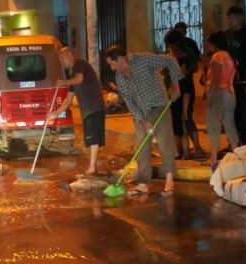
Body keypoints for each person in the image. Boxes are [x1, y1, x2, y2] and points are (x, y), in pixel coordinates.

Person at [104, 45, 181, 196]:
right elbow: (129, 102)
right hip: (142, 113)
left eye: (112, 64)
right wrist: (144, 121)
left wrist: (175, 86)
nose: (112, 69)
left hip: (159, 107)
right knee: (142, 147)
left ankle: (169, 180)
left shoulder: (144, 60)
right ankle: (143, 183)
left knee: (165, 144)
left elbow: (171, 61)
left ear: (119, 59)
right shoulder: (120, 77)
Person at [48, 47, 106, 175]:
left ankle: (92, 167)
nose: (61, 62)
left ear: (69, 54)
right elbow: (68, 100)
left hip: (94, 107)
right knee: (93, 138)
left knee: (93, 138)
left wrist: (64, 82)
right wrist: (55, 113)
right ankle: (95, 166)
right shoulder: (72, 75)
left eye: (62, 58)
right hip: (88, 110)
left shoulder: (79, 63)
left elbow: (79, 79)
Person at [165, 29, 204, 160]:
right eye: (170, 44)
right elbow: (165, 72)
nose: (172, 46)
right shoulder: (168, 54)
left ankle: (197, 147)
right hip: (172, 88)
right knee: (175, 118)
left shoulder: (187, 52)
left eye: (173, 43)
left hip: (185, 87)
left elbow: (194, 67)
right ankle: (180, 150)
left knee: (186, 116)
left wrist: (185, 70)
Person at [225, 6, 246, 145]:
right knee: (235, 114)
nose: (229, 21)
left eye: (232, 18)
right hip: (232, 81)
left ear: (240, 18)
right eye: (228, 18)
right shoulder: (228, 36)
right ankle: (237, 143)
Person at [204, 32, 239, 165]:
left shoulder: (217, 56)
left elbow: (216, 79)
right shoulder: (230, 56)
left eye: (209, 43)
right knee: (230, 124)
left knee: (213, 125)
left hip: (219, 93)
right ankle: (236, 153)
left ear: (214, 43)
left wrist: (209, 97)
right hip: (230, 93)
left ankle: (213, 157)